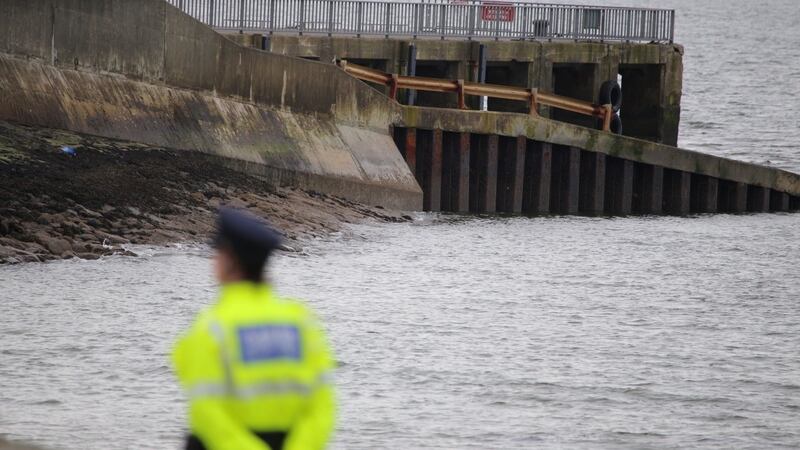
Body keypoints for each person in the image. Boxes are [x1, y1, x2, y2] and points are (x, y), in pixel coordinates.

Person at [172, 208, 336, 450]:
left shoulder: (210, 329)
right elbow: (323, 409)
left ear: (228, 260)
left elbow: (207, 415)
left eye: (216, 253)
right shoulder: (302, 323)